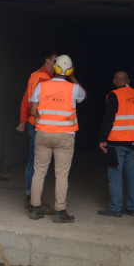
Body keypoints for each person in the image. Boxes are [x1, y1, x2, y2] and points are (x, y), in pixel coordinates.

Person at [28, 54, 86, 223]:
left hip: (43, 133)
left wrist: (45, 121)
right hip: (65, 136)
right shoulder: (74, 88)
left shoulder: (42, 86)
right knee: (61, 175)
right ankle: (60, 212)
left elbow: (32, 112)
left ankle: (34, 208)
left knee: (39, 173)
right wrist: (72, 77)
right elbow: (84, 96)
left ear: (55, 68)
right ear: (69, 70)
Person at [97, 71, 134, 217]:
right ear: (128, 80)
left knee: (115, 176)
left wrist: (102, 139)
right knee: (132, 176)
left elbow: (108, 119)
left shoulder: (114, 95)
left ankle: (115, 208)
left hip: (116, 142)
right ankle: (132, 208)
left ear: (114, 82)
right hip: (133, 142)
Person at [16, 52, 58, 210]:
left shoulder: (35, 75)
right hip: (40, 125)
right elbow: (39, 104)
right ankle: (34, 198)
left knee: (33, 161)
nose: (58, 63)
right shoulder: (45, 79)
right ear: (48, 61)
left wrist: (23, 120)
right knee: (38, 164)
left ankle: (30, 194)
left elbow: (26, 98)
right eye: (55, 60)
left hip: (33, 124)